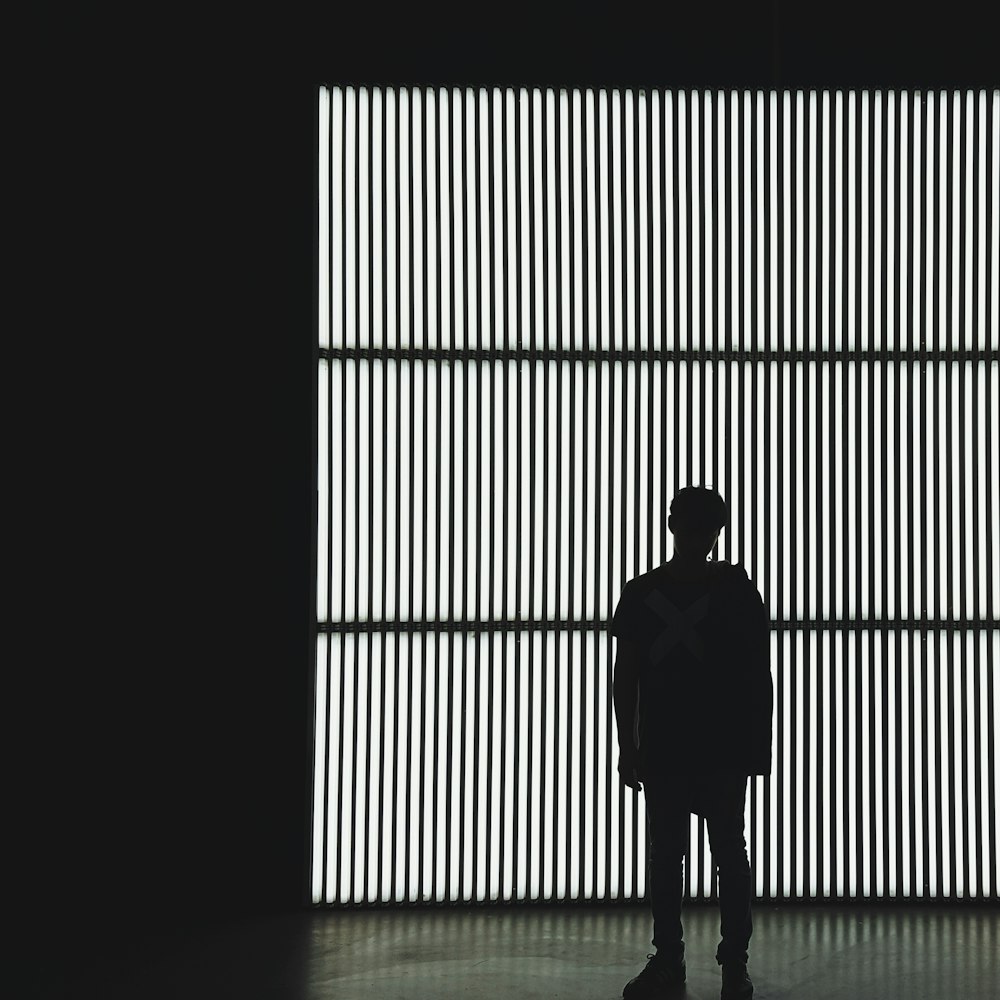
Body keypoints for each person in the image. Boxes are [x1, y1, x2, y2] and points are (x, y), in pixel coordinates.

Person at [611, 486, 773, 1000]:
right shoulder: (734, 592)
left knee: (668, 855)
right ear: (715, 532)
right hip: (718, 742)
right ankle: (732, 964)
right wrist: (756, 744)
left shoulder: (641, 594)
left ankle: (669, 958)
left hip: (668, 743)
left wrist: (629, 744)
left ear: (670, 523)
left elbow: (626, 676)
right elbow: (757, 675)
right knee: (727, 850)